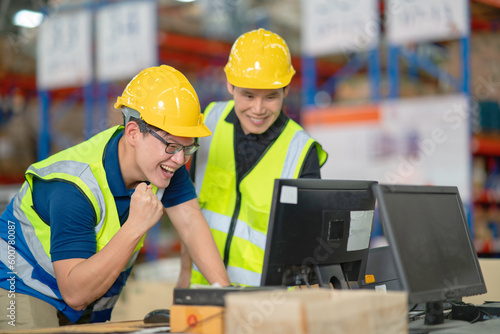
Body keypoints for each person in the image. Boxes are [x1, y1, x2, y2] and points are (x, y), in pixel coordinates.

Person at [0, 65, 230, 329]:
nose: (179, 159)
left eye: (187, 148)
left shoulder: (163, 165)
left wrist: (224, 295)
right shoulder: (73, 188)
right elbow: (75, 293)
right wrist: (136, 226)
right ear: (133, 133)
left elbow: (190, 221)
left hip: (87, 298)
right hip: (21, 286)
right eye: (171, 145)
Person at [177, 28, 328, 288]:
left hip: (263, 304)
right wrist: (184, 276)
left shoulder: (301, 151)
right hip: (204, 292)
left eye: (270, 97)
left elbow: (309, 244)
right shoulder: (208, 123)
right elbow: (188, 206)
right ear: (229, 85)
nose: (258, 110)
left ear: (287, 89)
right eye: (248, 95)